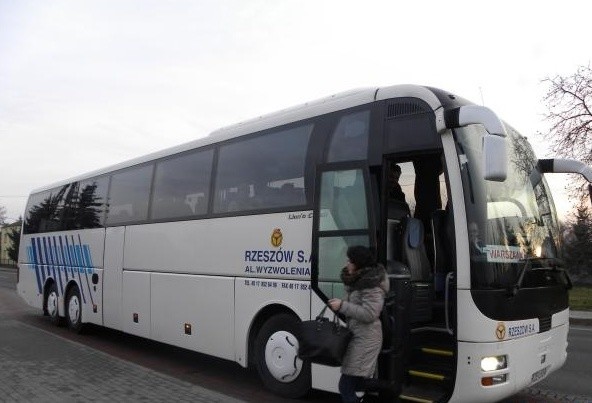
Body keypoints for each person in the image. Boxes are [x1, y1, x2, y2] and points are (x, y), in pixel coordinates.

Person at [328, 246, 389, 403]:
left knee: (345, 386)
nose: (346, 263)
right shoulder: (358, 280)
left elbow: (370, 313)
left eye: (350, 260)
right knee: (355, 384)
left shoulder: (371, 284)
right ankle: (387, 387)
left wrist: (342, 306)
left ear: (359, 264)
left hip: (366, 338)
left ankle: (389, 387)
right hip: (358, 335)